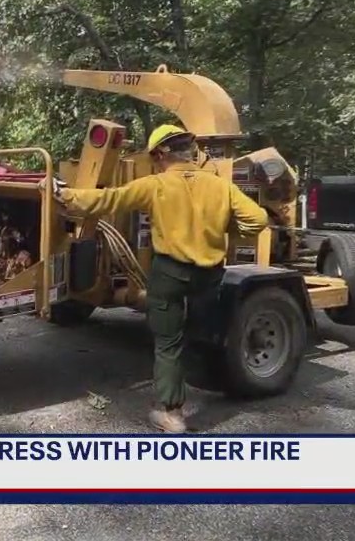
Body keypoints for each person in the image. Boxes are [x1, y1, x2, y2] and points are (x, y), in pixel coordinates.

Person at [43, 124, 269, 432]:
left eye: (154, 158)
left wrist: (63, 195)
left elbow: (107, 200)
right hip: (209, 277)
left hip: (171, 274)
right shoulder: (220, 187)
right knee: (195, 333)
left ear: (161, 154)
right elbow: (258, 219)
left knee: (168, 343)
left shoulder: (156, 185)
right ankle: (207, 378)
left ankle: (173, 415)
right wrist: (225, 230)